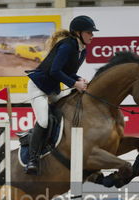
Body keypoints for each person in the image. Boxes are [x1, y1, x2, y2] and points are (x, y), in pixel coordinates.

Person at [25, 15, 99, 174]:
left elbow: (68, 72)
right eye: (89, 32)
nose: (92, 35)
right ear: (78, 33)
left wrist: (79, 79)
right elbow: (55, 71)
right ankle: (32, 159)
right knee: (44, 120)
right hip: (38, 86)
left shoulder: (82, 50)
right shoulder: (67, 46)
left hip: (52, 88)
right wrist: (75, 84)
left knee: (69, 108)